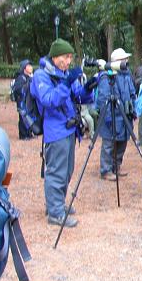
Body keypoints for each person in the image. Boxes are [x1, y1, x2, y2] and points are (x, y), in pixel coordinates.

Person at [31, 38, 94, 228]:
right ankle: (55, 212)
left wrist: (90, 87)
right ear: (55, 56)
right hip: (55, 130)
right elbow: (49, 100)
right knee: (56, 172)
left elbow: (78, 95)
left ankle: (56, 204)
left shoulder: (64, 73)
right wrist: (66, 83)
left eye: (70, 58)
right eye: (65, 57)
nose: (68, 62)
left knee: (67, 170)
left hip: (69, 129)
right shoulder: (41, 76)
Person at [97, 48, 137, 181]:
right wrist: (108, 118)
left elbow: (132, 93)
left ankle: (116, 166)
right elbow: (103, 100)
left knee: (123, 142)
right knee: (108, 143)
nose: (126, 61)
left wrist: (133, 109)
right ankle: (106, 170)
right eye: (124, 59)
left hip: (125, 115)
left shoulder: (127, 74)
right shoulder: (107, 76)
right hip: (113, 115)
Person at [13, 59, 34, 140]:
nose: (31, 67)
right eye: (28, 66)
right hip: (22, 101)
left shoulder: (29, 77)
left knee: (28, 117)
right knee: (23, 119)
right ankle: (23, 135)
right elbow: (18, 89)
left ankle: (29, 134)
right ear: (24, 68)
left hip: (27, 101)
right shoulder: (21, 78)